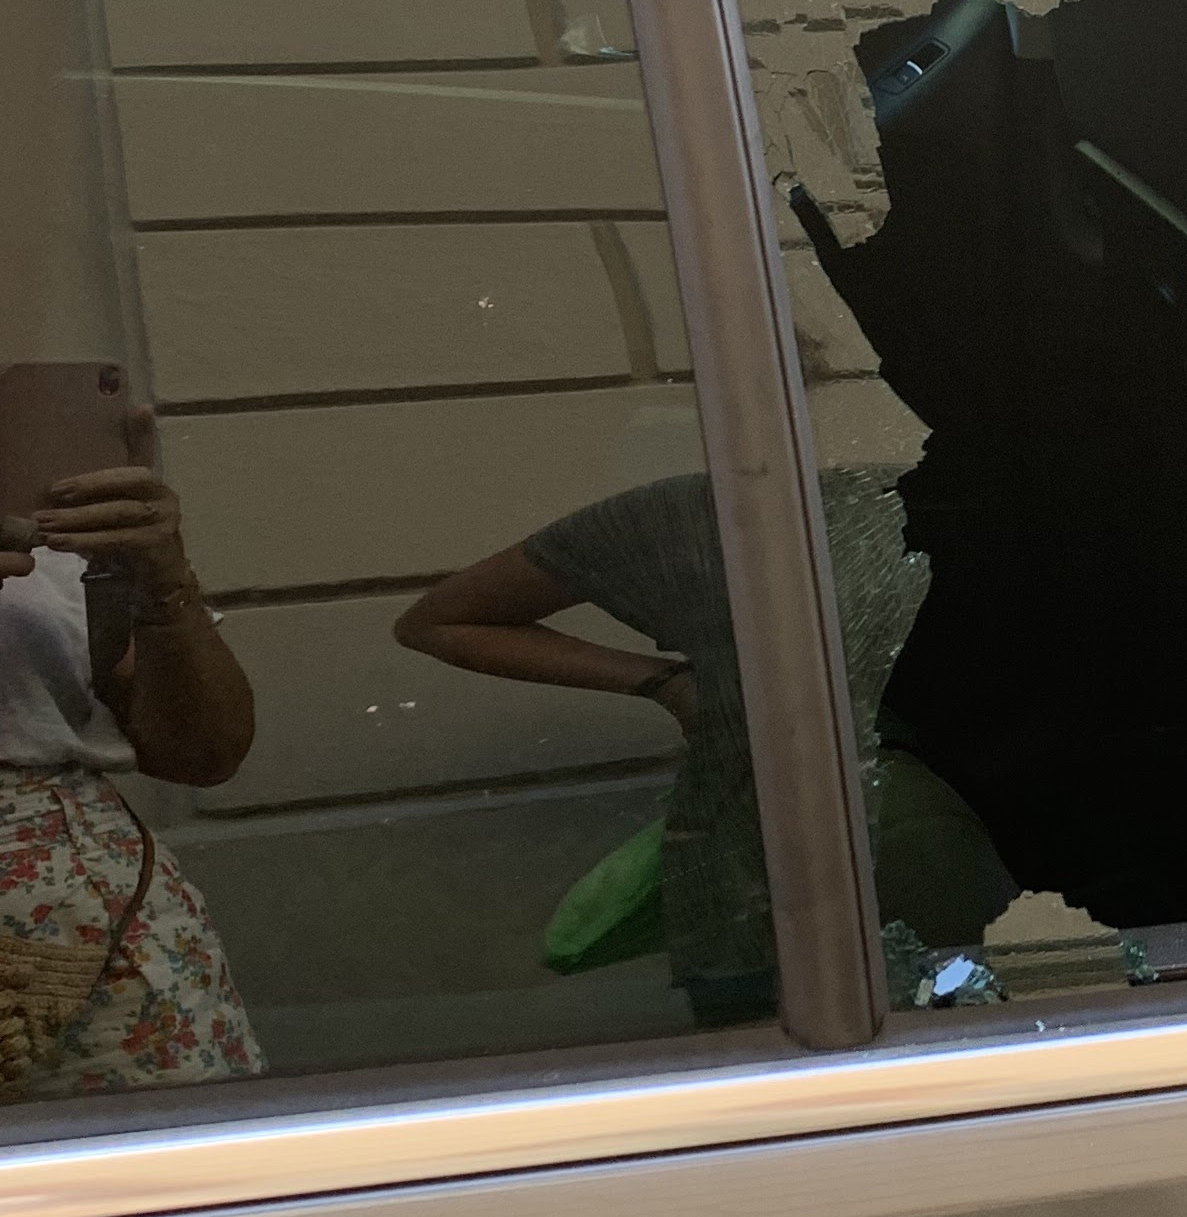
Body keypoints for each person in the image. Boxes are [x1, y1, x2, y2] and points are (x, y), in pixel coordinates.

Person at [396, 466, 967, 1028]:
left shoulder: (714, 511)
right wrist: (667, 684)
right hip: (776, 891)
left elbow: (441, 622)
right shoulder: (706, 514)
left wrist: (668, 685)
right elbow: (443, 622)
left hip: (807, 886)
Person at [0, 419, 262, 1095]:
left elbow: (202, 753)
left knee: (177, 1155)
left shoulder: (38, 510)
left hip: (109, 947)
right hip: (72, 909)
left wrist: (164, 582)